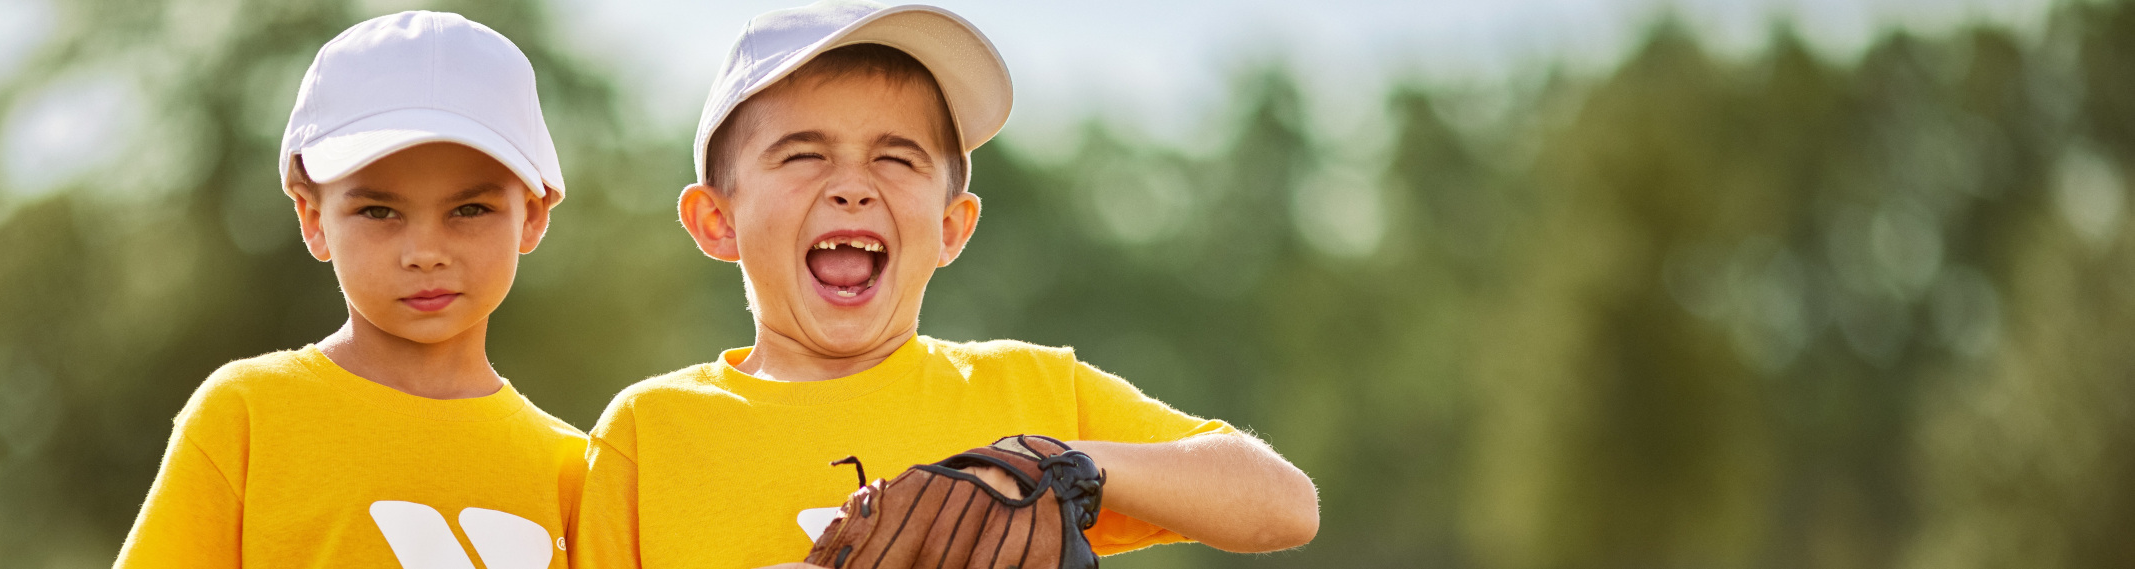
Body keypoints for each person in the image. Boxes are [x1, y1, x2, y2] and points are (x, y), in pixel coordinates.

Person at [572, 2, 1320, 567]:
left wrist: (1052, 462)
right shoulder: (650, 431)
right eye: (803, 154)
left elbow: (1284, 506)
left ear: (953, 226)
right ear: (716, 220)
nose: (852, 188)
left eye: (897, 159)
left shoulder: (1031, 393)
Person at [115, 11, 583, 569]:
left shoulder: (573, 471)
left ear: (531, 216)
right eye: (379, 210)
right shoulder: (247, 417)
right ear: (313, 218)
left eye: (469, 209)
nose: (425, 252)